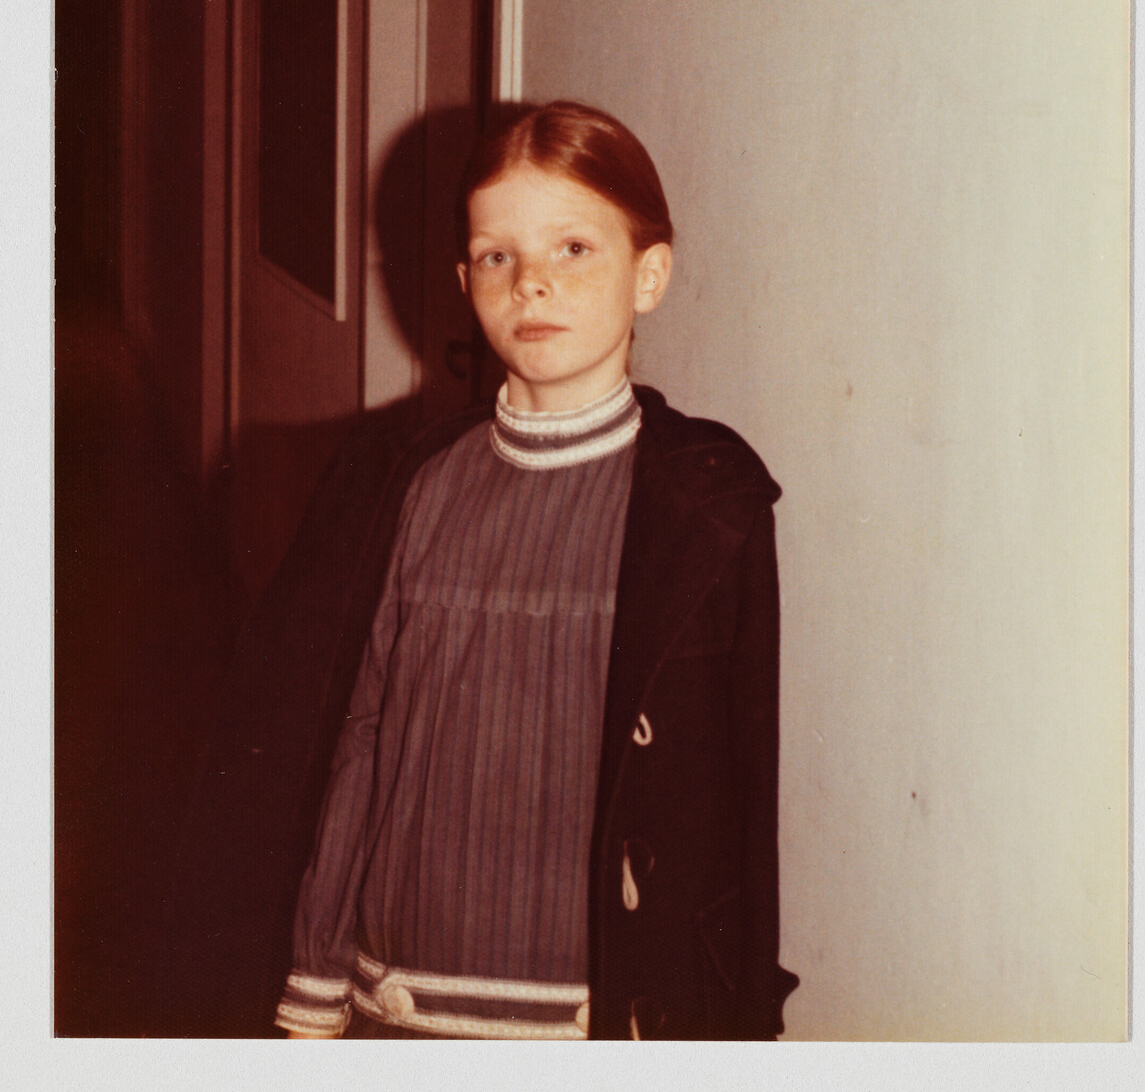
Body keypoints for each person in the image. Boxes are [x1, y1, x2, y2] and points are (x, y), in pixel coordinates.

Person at [163, 101, 796, 1039]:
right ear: (465, 279)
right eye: (498, 256)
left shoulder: (709, 505)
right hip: (403, 1000)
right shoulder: (406, 485)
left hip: (599, 1013)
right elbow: (358, 742)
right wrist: (314, 985)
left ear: (649, 273)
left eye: (574, 248)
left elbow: (739, 805)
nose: (532, 283)